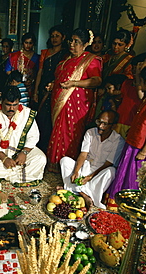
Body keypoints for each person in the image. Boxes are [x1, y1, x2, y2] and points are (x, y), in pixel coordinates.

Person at [107, 63, 146, 199]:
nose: (138, 84)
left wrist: (144, 151)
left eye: (140, 81)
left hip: (140, 146)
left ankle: (127, 202)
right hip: (132, 140)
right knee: (123, 171)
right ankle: (116, 200)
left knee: (132, 175)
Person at [47, 28, 102, 173]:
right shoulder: (66, 59)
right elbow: (60, 77)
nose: (72, 44)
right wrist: (53, 84)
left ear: (85, 44)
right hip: (60, 102)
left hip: (77, 104)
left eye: (76, 42)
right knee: (58, 131)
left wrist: (74, 83)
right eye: (71, 40)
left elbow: (96, 81)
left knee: (71, 133)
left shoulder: (91, 60)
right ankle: (54, 164)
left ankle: (67, 166)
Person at [0, 86, 46, 186]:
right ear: (1, 101)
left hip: (21, 152)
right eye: (8, 105)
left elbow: (34, 136)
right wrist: (4, 158)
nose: (11, 108)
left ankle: (10, 175)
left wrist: (24, 152)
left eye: (15, 105)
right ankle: (16, 173)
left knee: (40, 158)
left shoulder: (27, 113)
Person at [60, 111, 124, 209]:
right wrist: (76, 171)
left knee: (111, 171)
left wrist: (90, 177)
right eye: (99, 122)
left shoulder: (118, 140)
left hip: (100, 172)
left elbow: (108, 163)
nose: (100, 126)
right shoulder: (90, 132)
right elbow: (83, 154)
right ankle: (84, 195)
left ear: (113, 126)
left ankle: (74, 191)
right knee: (65, 161)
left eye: (105, 124)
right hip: (85, 167)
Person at [34, 25, 67, 153]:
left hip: (56, 89)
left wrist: (54, 84)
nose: (54, 39)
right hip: (44, 88)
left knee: (51, 118)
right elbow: (40, 72)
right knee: (41, 117)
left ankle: (49, 148)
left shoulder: (65, 54)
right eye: (52, 36)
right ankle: (39, 146)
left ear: (63, 37)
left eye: (57, 36)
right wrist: (36, 91)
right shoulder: (45, 53)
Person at [6, 32, 40, 98]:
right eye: (26, 43)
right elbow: (8, 71)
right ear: (22, 43)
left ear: (33, 44)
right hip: (15, 85)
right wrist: (17, 80)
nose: (28, 45)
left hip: (29, 87)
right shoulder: (14, 55)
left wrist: (31, 80)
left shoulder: (37, 57)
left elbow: (39, 73)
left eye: (30, 43)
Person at [0, 38, 14, 103]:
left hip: (7, 82)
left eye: (7, 46)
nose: (5, 49)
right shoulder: (0, 58)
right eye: (3, 46)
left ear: (10, 47)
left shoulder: (12, 58)